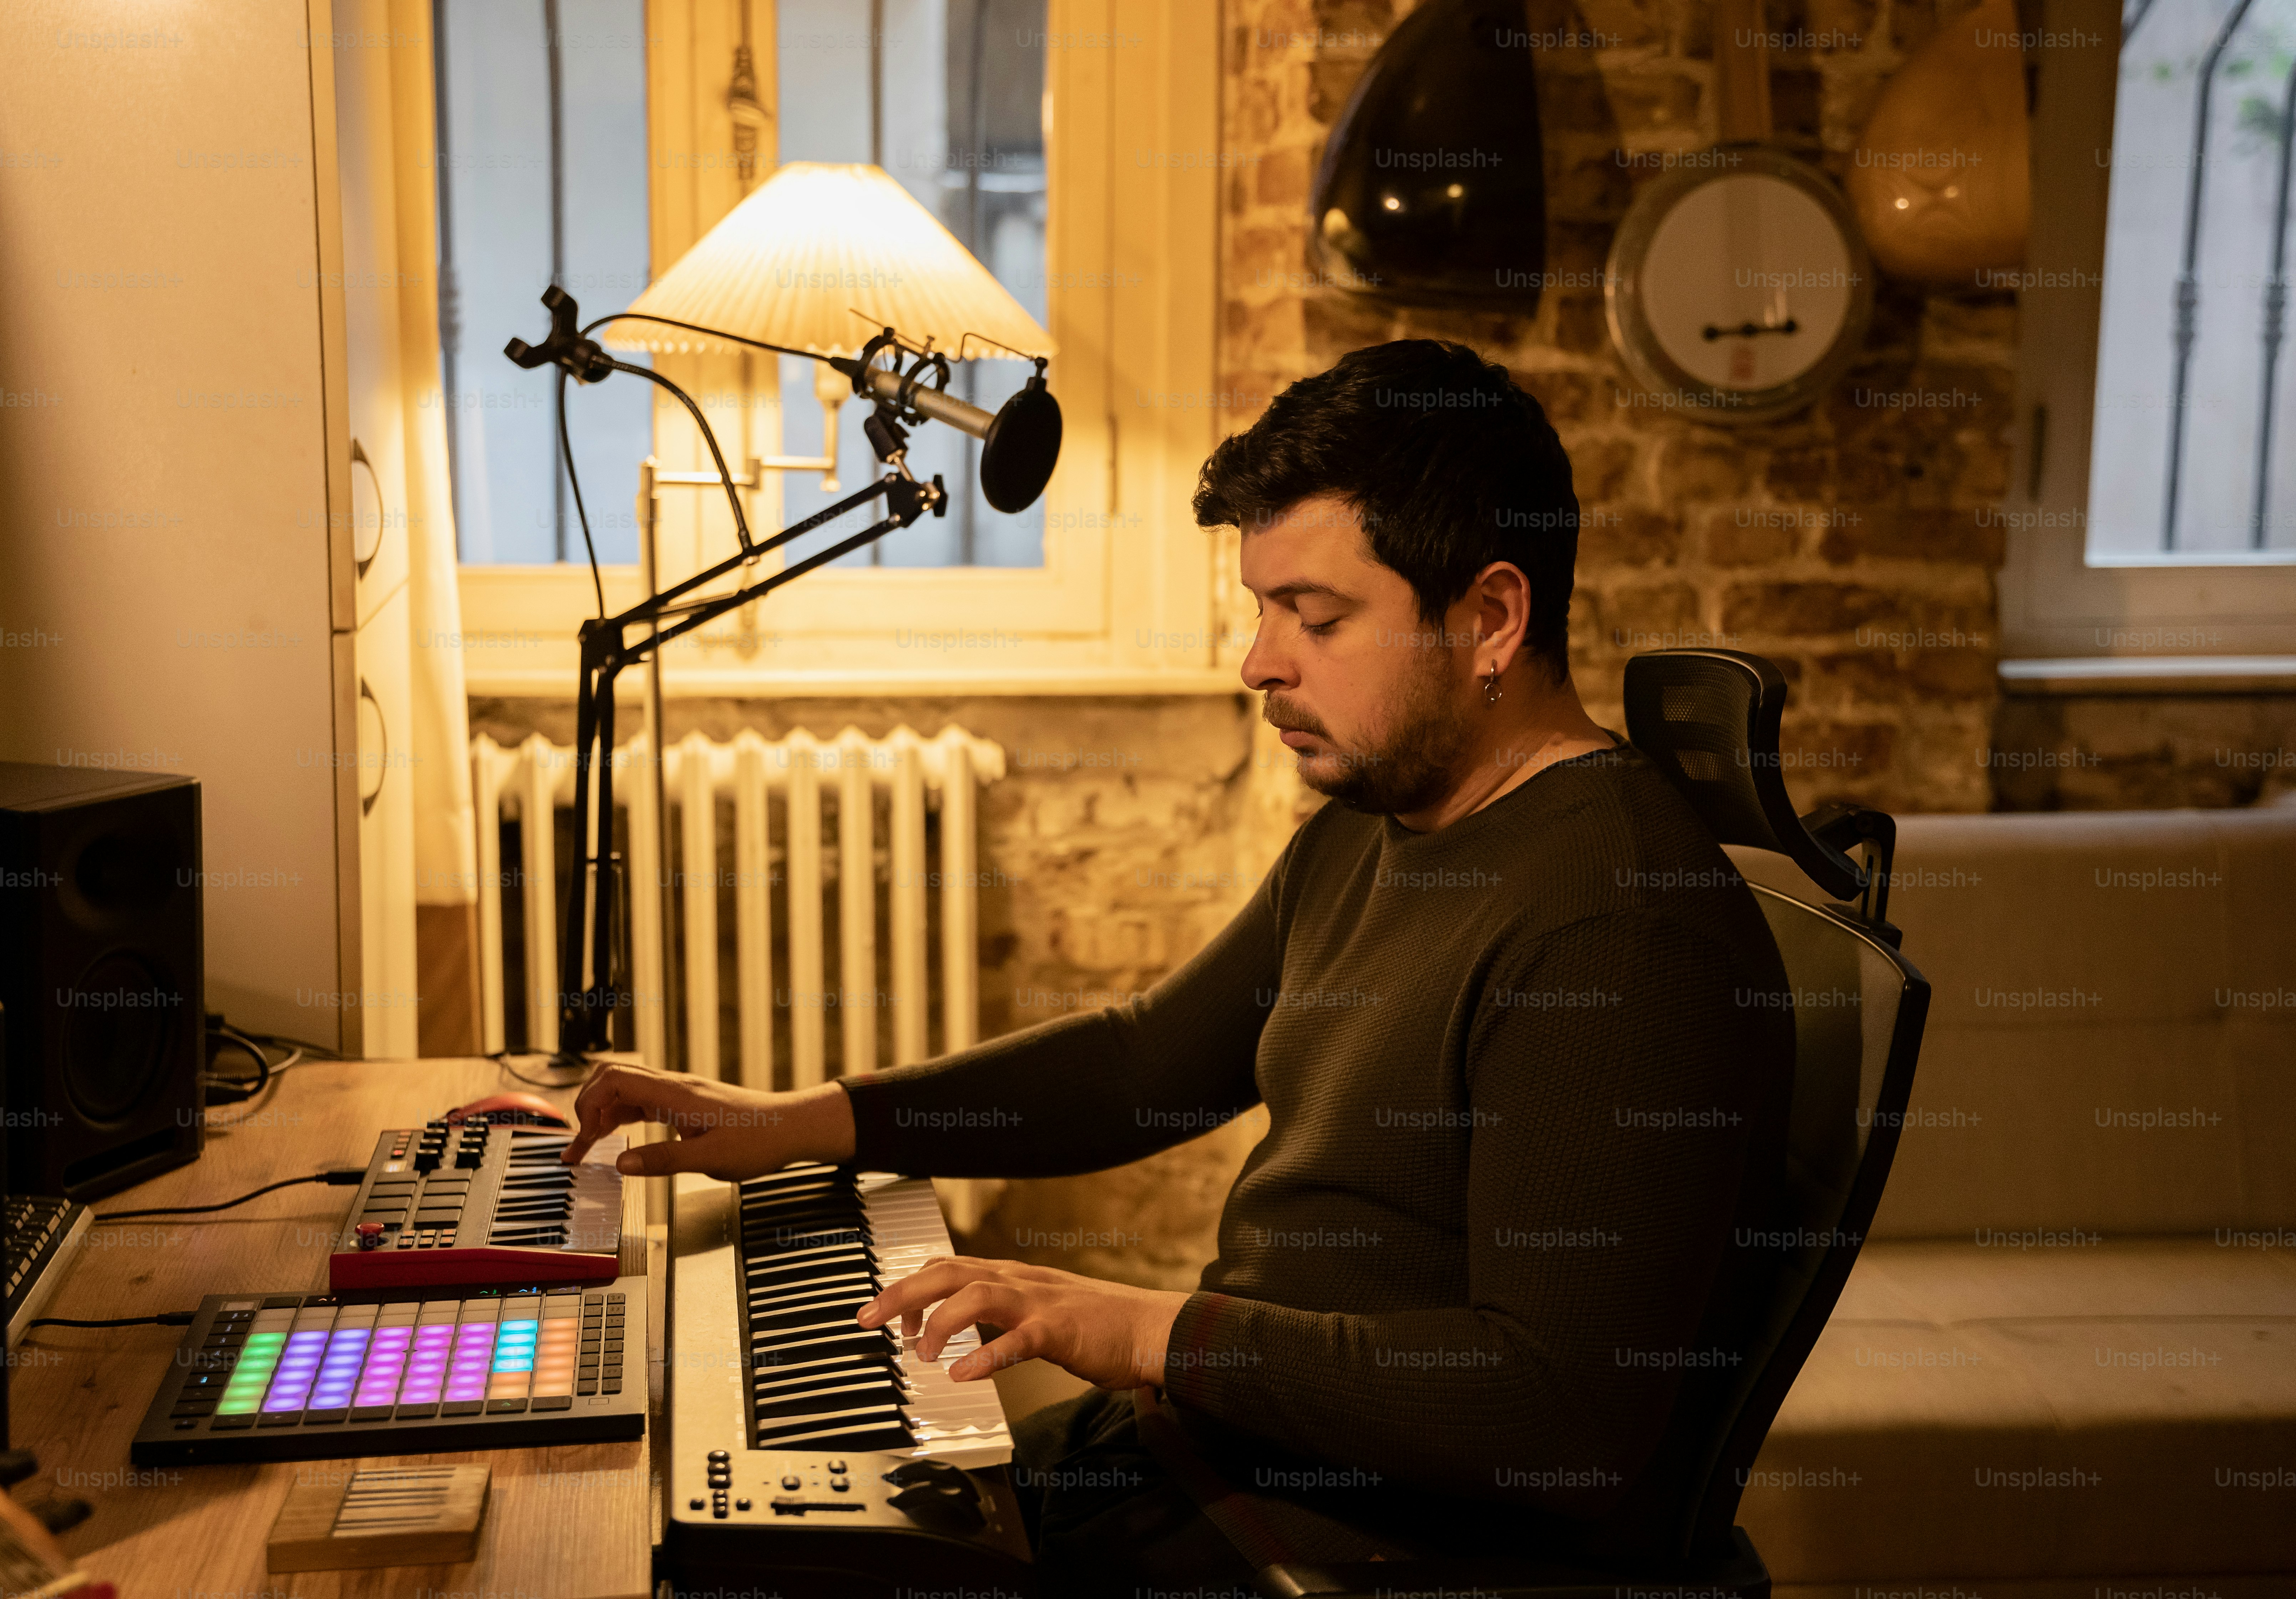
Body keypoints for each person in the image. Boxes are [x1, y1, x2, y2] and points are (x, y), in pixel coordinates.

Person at [562, 339, 1794, 1593]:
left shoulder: (1619, 926)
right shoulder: (1385, 822)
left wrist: (1145, 1330)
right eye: (1263, 610)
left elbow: (1557, 1421)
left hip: (1363, 1547)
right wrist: (803, 1124)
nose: (1260, 662)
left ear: (1489, 617)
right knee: (722, 1526)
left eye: (1314, 617)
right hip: (1224, 1464)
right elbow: (1145, 1061)